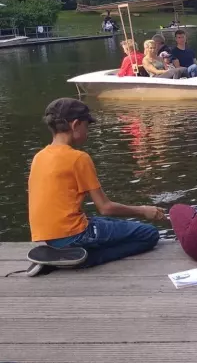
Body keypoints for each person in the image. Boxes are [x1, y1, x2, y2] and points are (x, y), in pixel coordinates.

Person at [26, 98, 163, 276]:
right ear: (75, 125)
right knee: (149, 234)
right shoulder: (78, 158)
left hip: (50, 237)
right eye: (86, 126)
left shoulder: (39, 157)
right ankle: (81, 259)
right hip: (74, 235)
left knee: (109, 224)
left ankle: (59, 256)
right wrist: (144, 210)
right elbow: (105, 208)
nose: (87, 132)